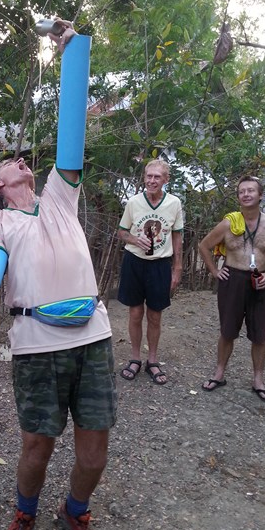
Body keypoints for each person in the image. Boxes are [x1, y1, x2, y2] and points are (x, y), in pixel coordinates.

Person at [0, 25, 117, 530]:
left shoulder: (60, 198)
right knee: (36, 447)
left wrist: (72, 53)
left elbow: (72, 138)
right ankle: (24, 514)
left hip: (92, 336)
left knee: (94, 453)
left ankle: (76, 509)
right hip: (36, 344)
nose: (22, 160)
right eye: (10, 162)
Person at [198, 175, 265, 403]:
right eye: (242, 191)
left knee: (260, 335)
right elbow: (204, 246)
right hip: (232, 280)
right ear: (238, 197)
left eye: (250, 190)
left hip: (261, 281)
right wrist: (215, 271)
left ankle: (258, 380)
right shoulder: (228, 224)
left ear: (260, 195)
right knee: (227, 331)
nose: (246, 194)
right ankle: (219, 373)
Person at [117, 159, 184, 384]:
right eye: (149, 176)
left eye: (157, 177)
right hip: (134, 262)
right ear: (144, 177)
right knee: (135, 313)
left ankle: (152, 361)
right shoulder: (134, 202)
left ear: (166, 180)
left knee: (155, 315)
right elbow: (121, 232)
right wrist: (135, 239)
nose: (152, 181)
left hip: (160, 264)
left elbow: (177, 235)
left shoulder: (174, 203)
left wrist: (177, 267)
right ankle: (135, 358)